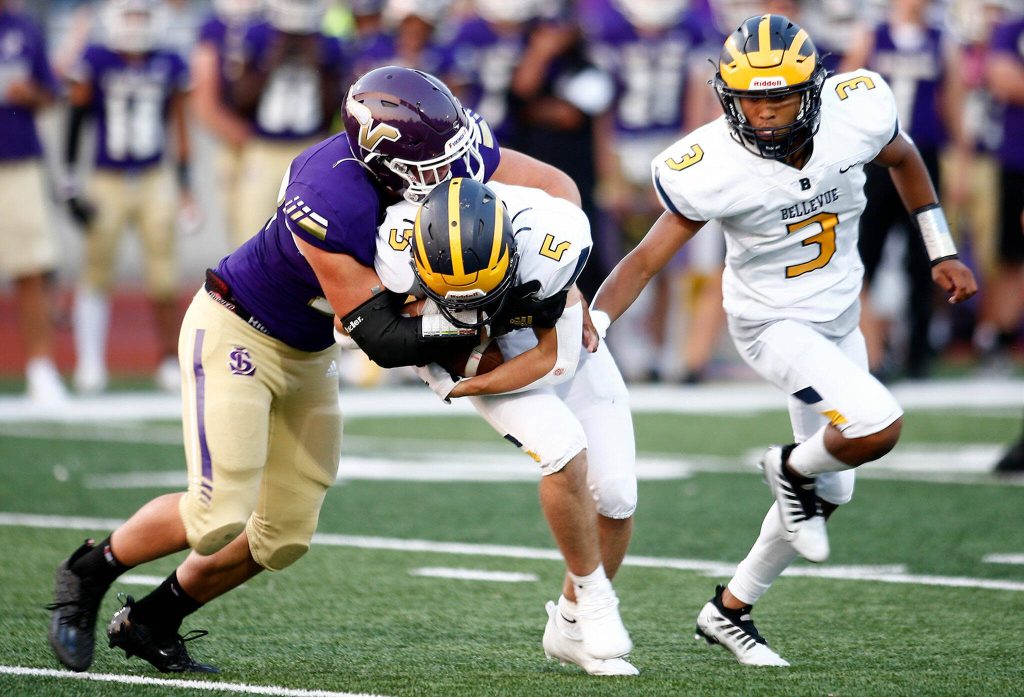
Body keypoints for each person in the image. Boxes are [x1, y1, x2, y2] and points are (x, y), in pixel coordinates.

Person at [47, 65, 580, 674]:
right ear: (383, 163)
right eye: (432, 169)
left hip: (309, 352)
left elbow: (557, 192)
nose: (454, 177)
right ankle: (88, 572)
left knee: (284, 535)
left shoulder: (451, 150)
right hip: (238, 330)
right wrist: (478, 320)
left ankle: (153, 619)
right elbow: (381, 338)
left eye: (453, 158)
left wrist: (560, 286)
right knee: (216, 512)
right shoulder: (329, 194)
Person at [588, 14, 977, 665]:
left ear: (813, 89)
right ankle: (789, 465)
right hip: (771, 323)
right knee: (877, 423)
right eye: (749, 99)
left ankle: (729, 609)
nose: (764, 113)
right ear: (727, 96)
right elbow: (646, 258)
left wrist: (941, 248)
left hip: (837, 319)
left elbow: (906, 157)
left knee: (835, 491)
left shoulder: (855, 113)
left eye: (780, 97)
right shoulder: (711, 163)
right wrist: (596, 323)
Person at [371, 177, 637, 675]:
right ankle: (596, 598)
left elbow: (553, 360)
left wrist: (468, 388)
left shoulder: (551, 244)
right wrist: (435, 349)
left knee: (618, 496)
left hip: (542, 345)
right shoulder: (397, 244)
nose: (469, 304)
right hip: (478, 351)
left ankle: (570, 626)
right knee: (562, 448)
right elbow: (353, 326)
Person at [63, 0, 194, 394]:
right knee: (96, 266)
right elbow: (76, 117)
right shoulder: (96, 58)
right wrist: (69, 181)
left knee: (164, 272)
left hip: (154, 176)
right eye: (129, 16)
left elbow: (179, 125)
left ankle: (168, 358)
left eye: (142, 16)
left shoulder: (168, 61)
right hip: (107, 177)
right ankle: (90, 361)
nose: (136, 24)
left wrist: (186, 187)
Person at [0, 0, 68, 403]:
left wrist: (30, 94)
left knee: (31, 268)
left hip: (18, 162)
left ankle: (41, 367)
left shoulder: (23, 28)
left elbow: (51, 95)